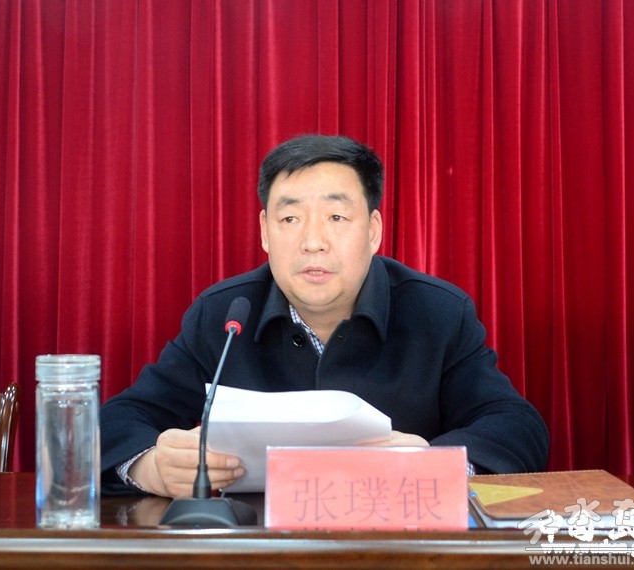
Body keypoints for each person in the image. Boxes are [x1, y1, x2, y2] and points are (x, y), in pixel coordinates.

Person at [100, 134, 549, 497]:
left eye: (336, 217)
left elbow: (516, 427)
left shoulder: (438, 312)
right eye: (290, 219)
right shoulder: (224, 315)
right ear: (265, 232)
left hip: (396, 548)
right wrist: (148, 467)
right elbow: (120, 419)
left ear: (373, 231)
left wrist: (435, 464)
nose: (313, 242)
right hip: (257, 551)